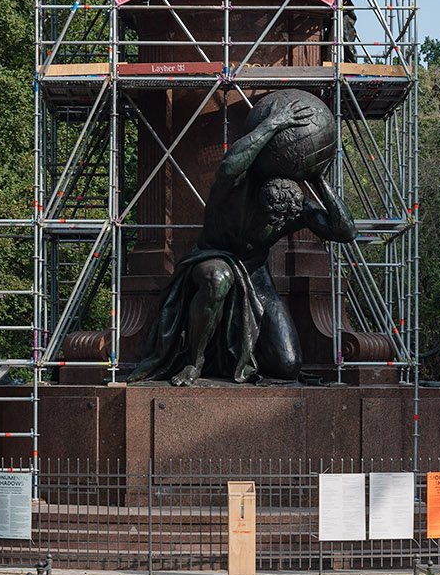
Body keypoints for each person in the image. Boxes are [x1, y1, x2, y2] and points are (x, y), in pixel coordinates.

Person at [132, 91, 357, 385]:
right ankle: (194, 362)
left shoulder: (291, 207)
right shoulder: (234, 188)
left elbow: (345, 231)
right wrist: (274, 124)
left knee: (287, 365)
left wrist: (317, 177)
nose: (274, 223)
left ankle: (235, 355)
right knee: (218, 279)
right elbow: (229, 165)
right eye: (269, 217)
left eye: (280, 221)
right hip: (211, 257)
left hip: (256, 275)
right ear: (259, 201)